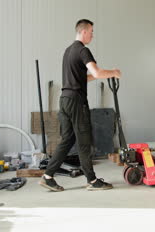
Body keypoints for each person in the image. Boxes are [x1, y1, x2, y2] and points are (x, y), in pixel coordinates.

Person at [39, 19, 121, 192]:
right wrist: (113, 72)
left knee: (67, 140)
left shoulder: (68, 51)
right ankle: (92, 181)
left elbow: (83, 77)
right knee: (84, 140)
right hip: (77, 102)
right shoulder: (83, 50)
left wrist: (102, 75)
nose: (92, 35)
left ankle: (48, 176)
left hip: (65, 100)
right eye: (91, 31)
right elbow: (97, 72)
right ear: (83, 31)